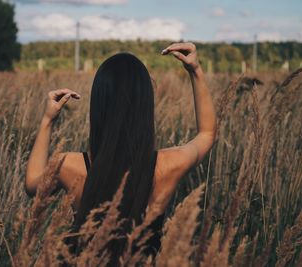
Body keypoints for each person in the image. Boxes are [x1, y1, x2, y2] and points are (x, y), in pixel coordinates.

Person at [25, 42, 217, 265]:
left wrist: (48, 120)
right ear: (145, 104)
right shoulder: (167, 165)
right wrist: (195, 70)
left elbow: (32, 185)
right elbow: (207, 134)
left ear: (99, 105)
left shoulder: (69, 165)